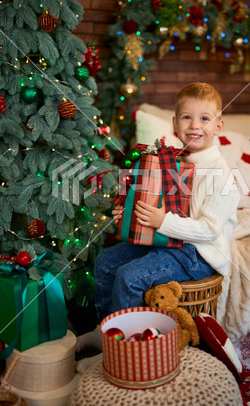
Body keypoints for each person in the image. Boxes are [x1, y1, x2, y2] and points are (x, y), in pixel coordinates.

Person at [75, 82, 240, 353]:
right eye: (187, 117)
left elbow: (209, 230)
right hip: (168, 239)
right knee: (105, 261)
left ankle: (125, 349)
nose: (194, 125)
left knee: (130, 276)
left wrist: (162, 222)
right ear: (175, 123)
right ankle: (104, 330)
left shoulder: (221, 174)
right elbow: (153, 199)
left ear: (218, 126)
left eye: (205, 119)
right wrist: (127, 213)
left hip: (198, 254)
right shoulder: (169, 161)